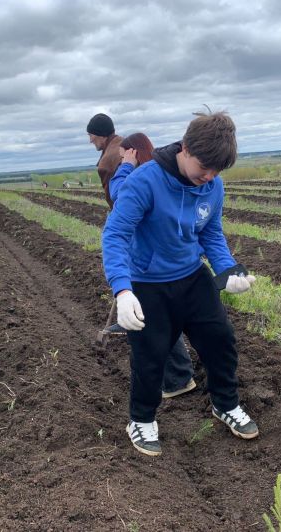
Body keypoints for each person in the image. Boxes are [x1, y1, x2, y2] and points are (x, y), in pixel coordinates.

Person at [102, 111, 259, 456]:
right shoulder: (144, 182)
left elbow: (211, 233)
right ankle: (141, 421)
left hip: (191, 276)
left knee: (221, 340)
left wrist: (227, 271)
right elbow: (115, 234)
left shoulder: (212, 184)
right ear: (185, 149)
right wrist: (123, 289)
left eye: (217, 171)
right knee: (151, 356)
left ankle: (225, 404)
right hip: (147, 283)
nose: (210, 177)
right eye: (204, 167)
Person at [110, 132, 196, 399]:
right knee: (160, 320)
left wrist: (125, 166)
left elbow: (118, 194)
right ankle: (177, 377)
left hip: (152, 264)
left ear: (133, 151)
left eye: (124, 153)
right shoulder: (157, 171)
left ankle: (177, 379)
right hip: (158, 260)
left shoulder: (145, 175)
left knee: (156, 322)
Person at [87, 113, 123, 206]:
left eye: (91, 135)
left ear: (101, 134)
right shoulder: (126, 143)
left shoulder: (107, 162)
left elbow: (113, 200)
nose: (90, 140)